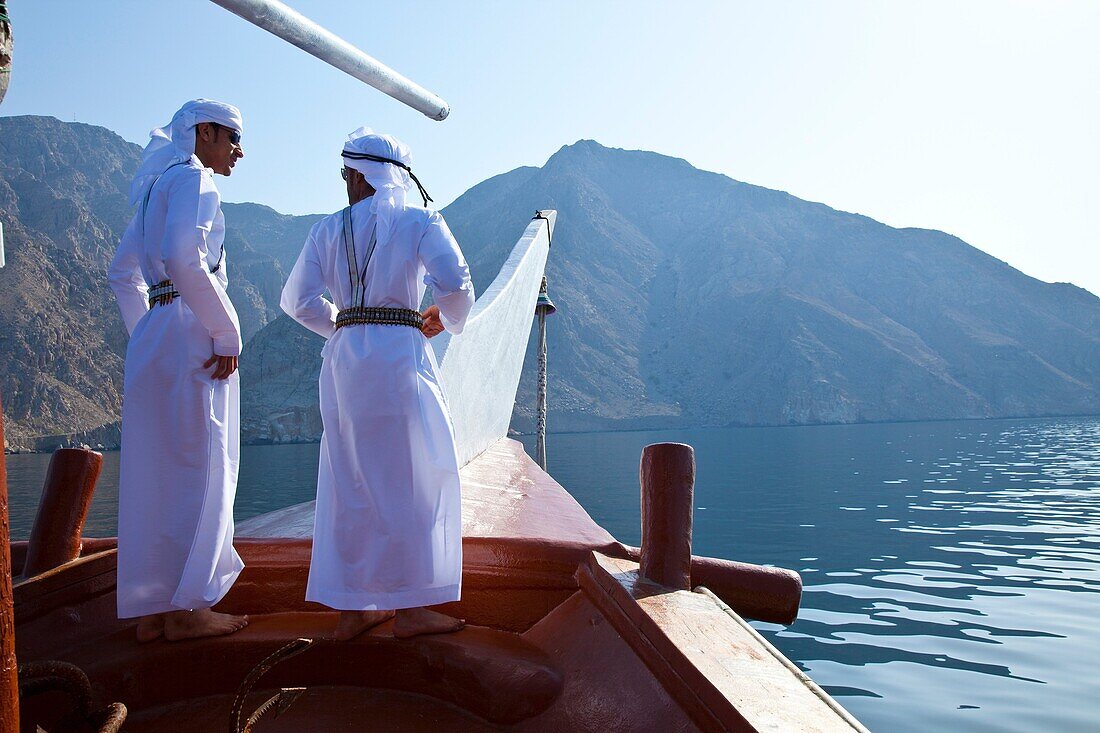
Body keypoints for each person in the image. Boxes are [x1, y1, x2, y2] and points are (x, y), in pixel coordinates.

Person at [280, 127, 474, 640]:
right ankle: (412, 611)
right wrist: (441, 319)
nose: (345, 182)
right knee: (415, 474)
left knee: (351, 478)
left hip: (345, 363)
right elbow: (456, 283)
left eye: (346, 174)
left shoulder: (325, 230)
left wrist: (347, 322)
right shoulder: (418, 221)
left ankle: (354, 609)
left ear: (358, 174)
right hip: (398, 356)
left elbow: (296, 302)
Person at [107, 99, 249, 642]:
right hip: (192, 330)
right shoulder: (194, 180)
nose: (240, 149)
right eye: (233, 136)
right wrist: (225, 330)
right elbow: (185, 258)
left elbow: (122, 275)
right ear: (204, 132)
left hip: (156, 337)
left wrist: (149, 331)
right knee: (205, 467)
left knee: (157, 476)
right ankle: (190, 610)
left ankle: (153, 612)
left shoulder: (150, 193)